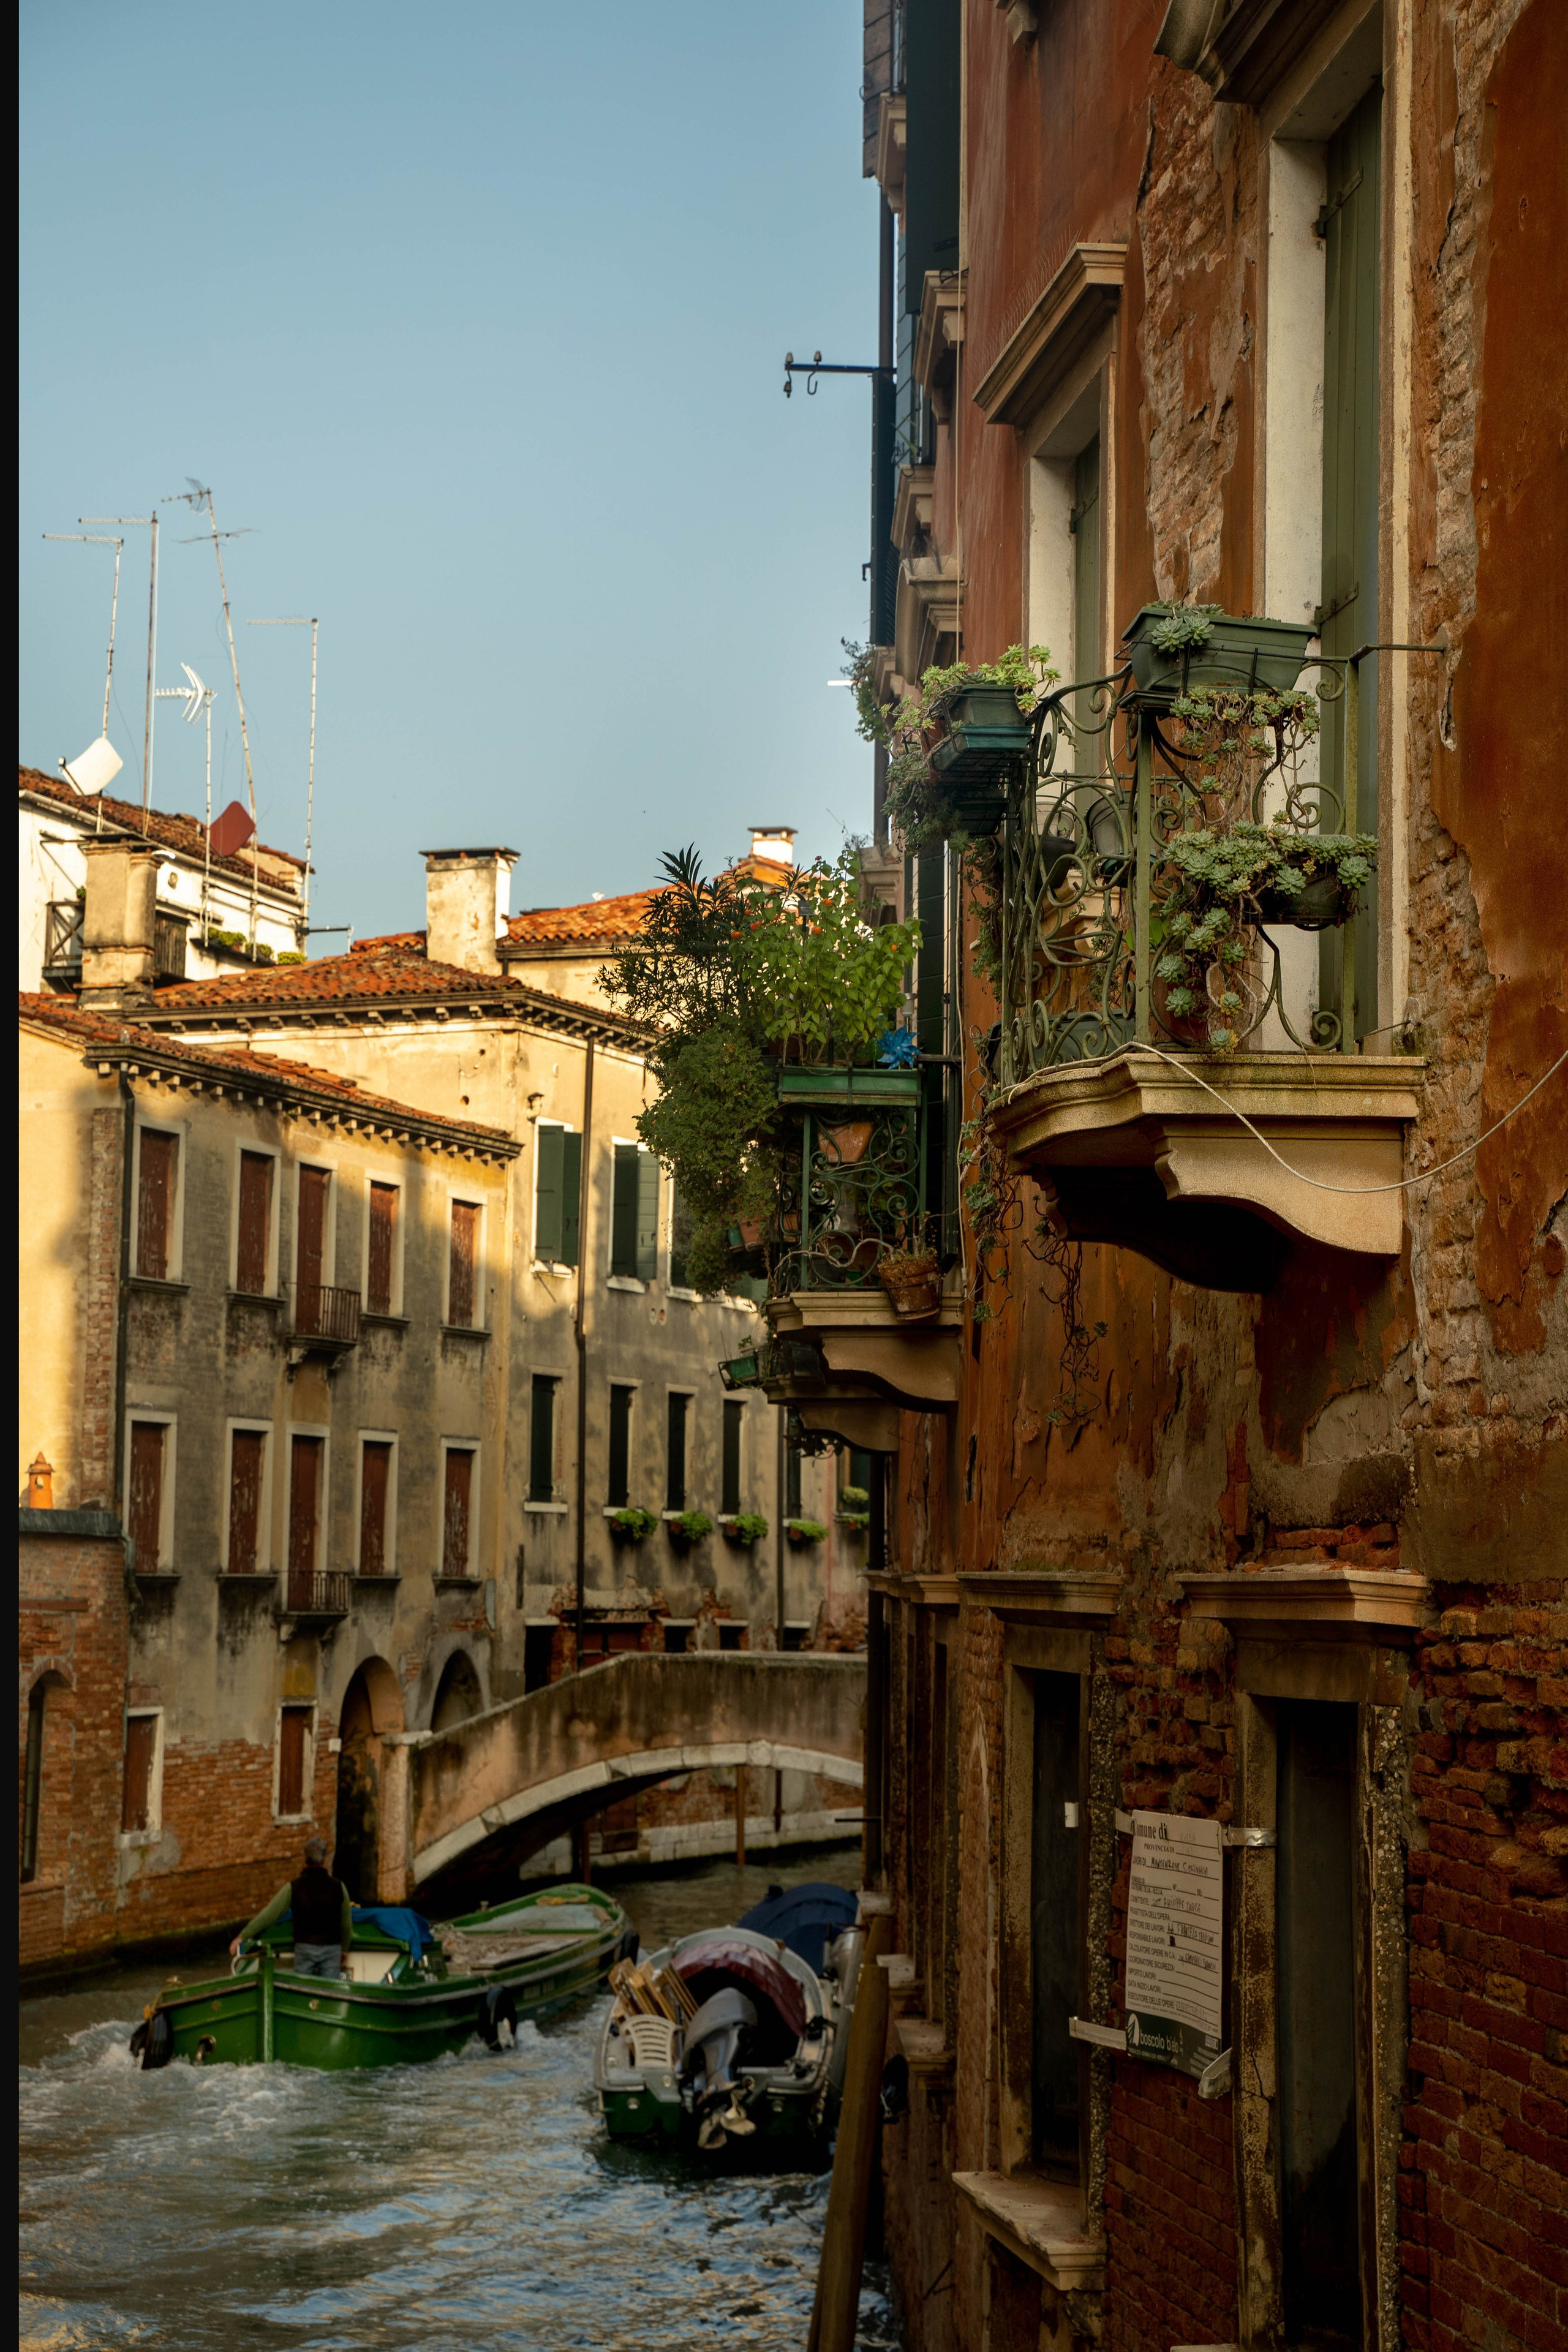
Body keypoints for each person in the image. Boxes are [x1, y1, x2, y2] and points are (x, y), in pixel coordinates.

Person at [230, 1834, 354, 1978]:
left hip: (305, 1947)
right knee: (331, 1989)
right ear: (323, 1859)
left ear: (305, 1859)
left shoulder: (293, 1888)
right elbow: (346, 1923)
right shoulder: (339, 1887)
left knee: (302, 1987)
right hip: (331, 1948)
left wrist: (243, 1936)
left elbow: (270, 1914)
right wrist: (345, 1949)